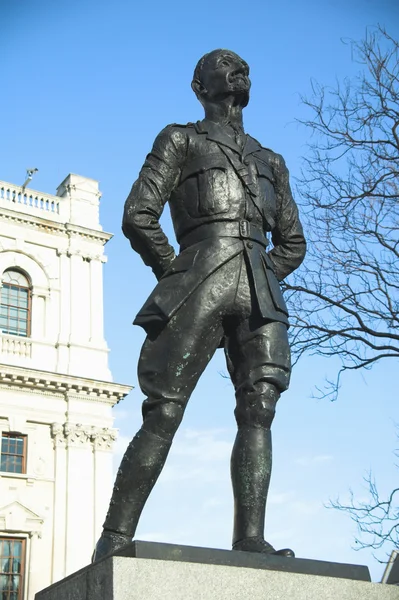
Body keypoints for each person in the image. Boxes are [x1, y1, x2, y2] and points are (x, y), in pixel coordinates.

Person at [93, 49, 306, 562]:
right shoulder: (179, 139)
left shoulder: (271, 160)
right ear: (199, 84)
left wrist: (260, 272)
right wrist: (179, 271)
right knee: (163, 410)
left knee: (259, 410)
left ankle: (250, 539)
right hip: (197, 277)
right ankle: (115, 539)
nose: (240, 70)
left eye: (244, 66)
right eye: (225, 64)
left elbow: (293, 242)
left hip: (260, 290)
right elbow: (137, 215)